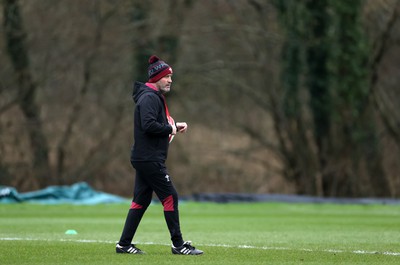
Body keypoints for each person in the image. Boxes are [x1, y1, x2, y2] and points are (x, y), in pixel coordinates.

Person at [115, 55, 203, 255]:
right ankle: (178, 245)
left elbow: (156, 125)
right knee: (170, 197)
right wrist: (171, 129)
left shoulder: (151, 97)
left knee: (141, 200)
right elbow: (148, 125)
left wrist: (173, 126)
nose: (170, 80)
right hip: (149, 158)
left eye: (171, 77)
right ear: (156, 78)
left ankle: (124, 244)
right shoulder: (149, 97)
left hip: (144, 157)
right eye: (166, 77)